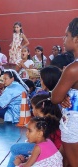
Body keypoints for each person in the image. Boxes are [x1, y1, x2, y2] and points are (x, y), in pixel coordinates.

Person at [51, 17, 78, 167]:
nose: (64, 39)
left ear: (76, 39)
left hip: (74, 123)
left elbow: (55, 97)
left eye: (66, 35)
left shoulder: (73, 68)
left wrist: (62, 97)